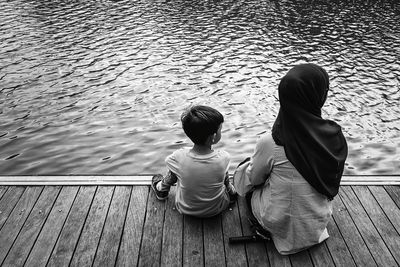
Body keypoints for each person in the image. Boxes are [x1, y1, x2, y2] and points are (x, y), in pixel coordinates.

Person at [233, 63, 348, 255]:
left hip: (278, 222)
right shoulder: (333, 136)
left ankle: (261, 225)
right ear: (319, 96)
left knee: (247, 173)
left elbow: (253, 180)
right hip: (318, 221)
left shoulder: (271, 141)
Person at [151, 105, 237, 218]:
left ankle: (162, 189)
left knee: (176, 169)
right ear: (214, 136)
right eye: (221, 129)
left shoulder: (179, 156)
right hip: (216, 209)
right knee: (223, 175)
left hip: (185, 208)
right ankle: (232, 193)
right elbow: (224, 179)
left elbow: (168, 161)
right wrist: (231, 192)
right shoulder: (224, 157)